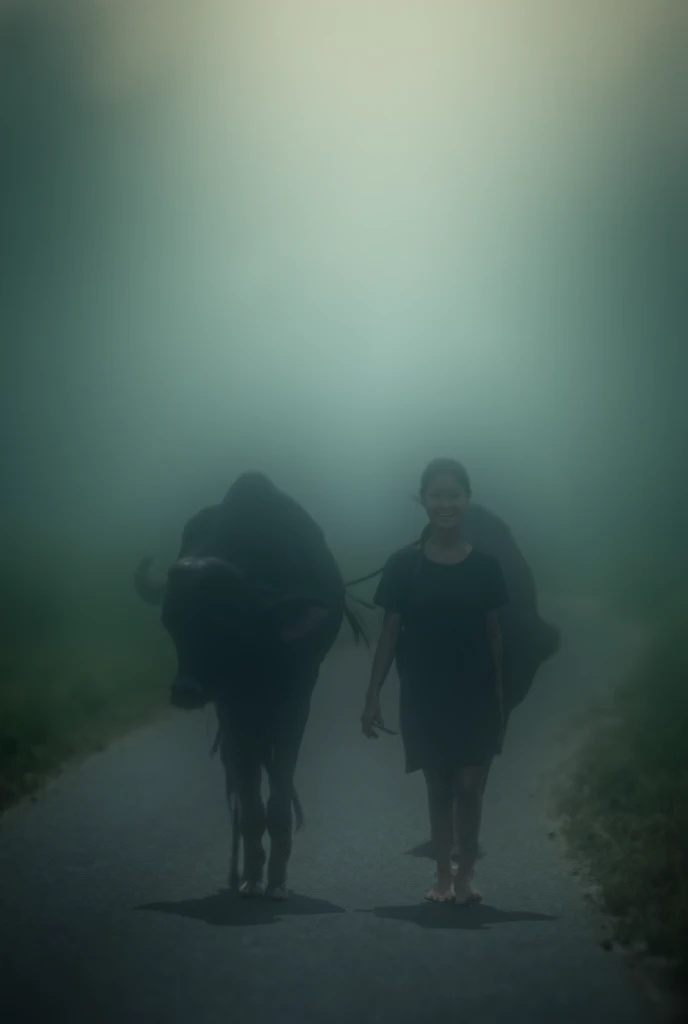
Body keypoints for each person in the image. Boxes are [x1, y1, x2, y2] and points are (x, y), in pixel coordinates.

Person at [134, 472, 349, 900]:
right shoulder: (202, 534)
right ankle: (262, 857)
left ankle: (269, 856)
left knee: (268, 757)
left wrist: (284, 629)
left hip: (288, 655)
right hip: (227, 657)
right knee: (251, 752)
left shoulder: (295, 547)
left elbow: (321, 602)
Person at [360, 458, 508, 904]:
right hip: (424, 691)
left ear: (467, 500)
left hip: (477, 690)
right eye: (436, 495)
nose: (445, 503)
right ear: (423, 501)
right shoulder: (404, 566)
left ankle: (467, 873)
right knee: (439, 786)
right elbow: (389, 632)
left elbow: (494, 634)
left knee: (470, 785)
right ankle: (443, 876)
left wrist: (501, 695)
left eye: (454, 494)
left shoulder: (486, 566)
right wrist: (373, 695)